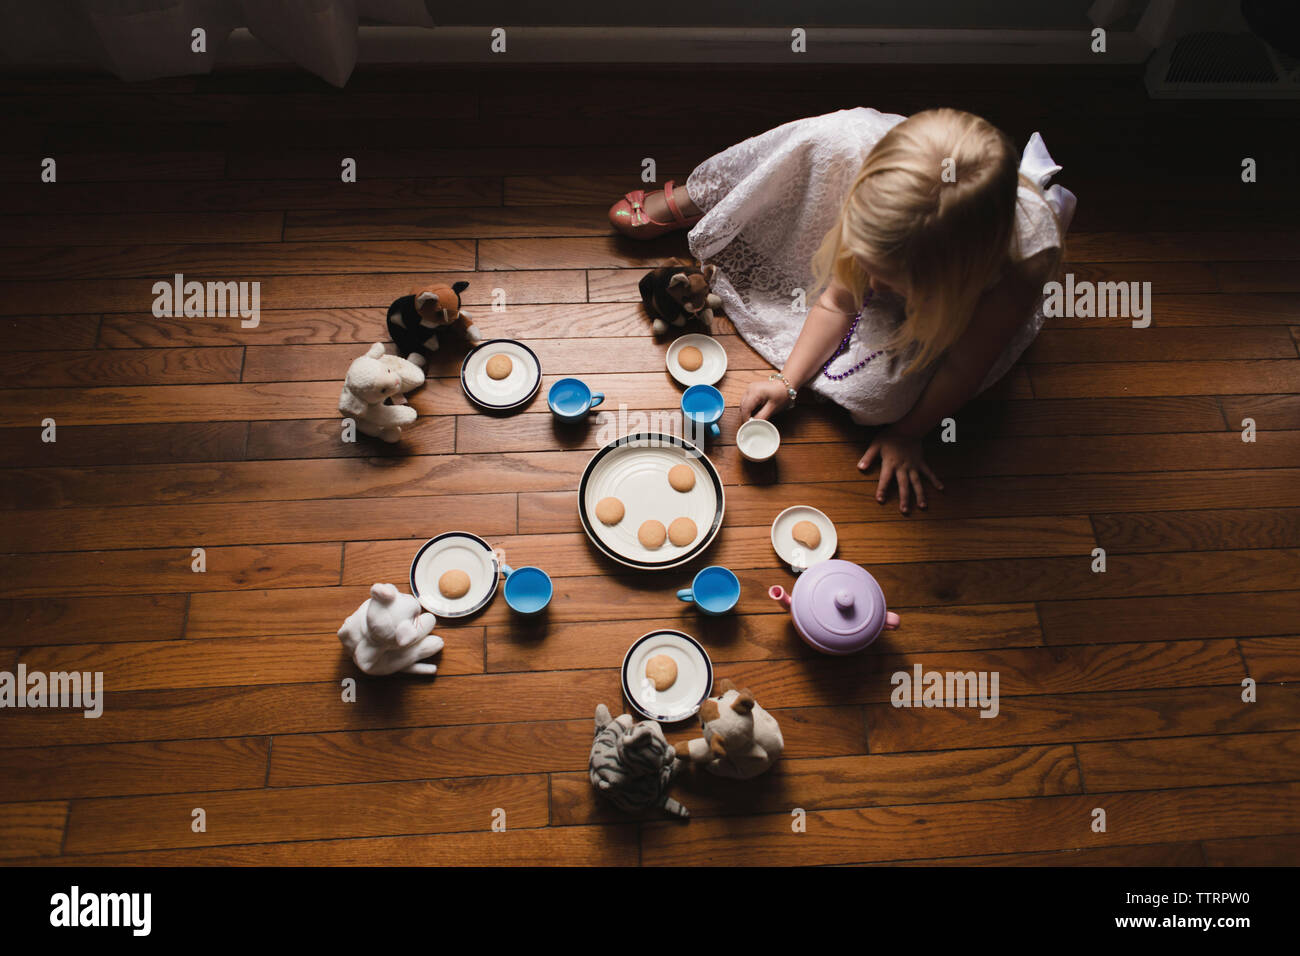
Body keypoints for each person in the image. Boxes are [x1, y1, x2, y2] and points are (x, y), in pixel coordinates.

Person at [608, 108, 1076, 513]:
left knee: (879, 405)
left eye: (889, 280)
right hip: (880, 164)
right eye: (869, 266)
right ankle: (714, 195)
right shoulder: (880, 207)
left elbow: (963, 365)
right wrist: (787, 381)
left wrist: (909, 434)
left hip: (973, 282)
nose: (871, 285)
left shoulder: (1020, 265)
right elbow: (838, 298)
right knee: (833, 137)